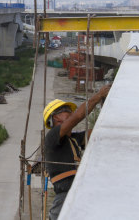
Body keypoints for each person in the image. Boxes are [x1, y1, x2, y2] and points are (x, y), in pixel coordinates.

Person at [43, 84, 112, 220]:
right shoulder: (53, 136)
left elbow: (98, 133)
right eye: (66, 110)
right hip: (65, 194)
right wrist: (98, 96)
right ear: (55, 118)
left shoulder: (73, 139)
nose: (70, 112)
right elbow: (77, 117)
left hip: (76, 190)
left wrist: (107, 107)